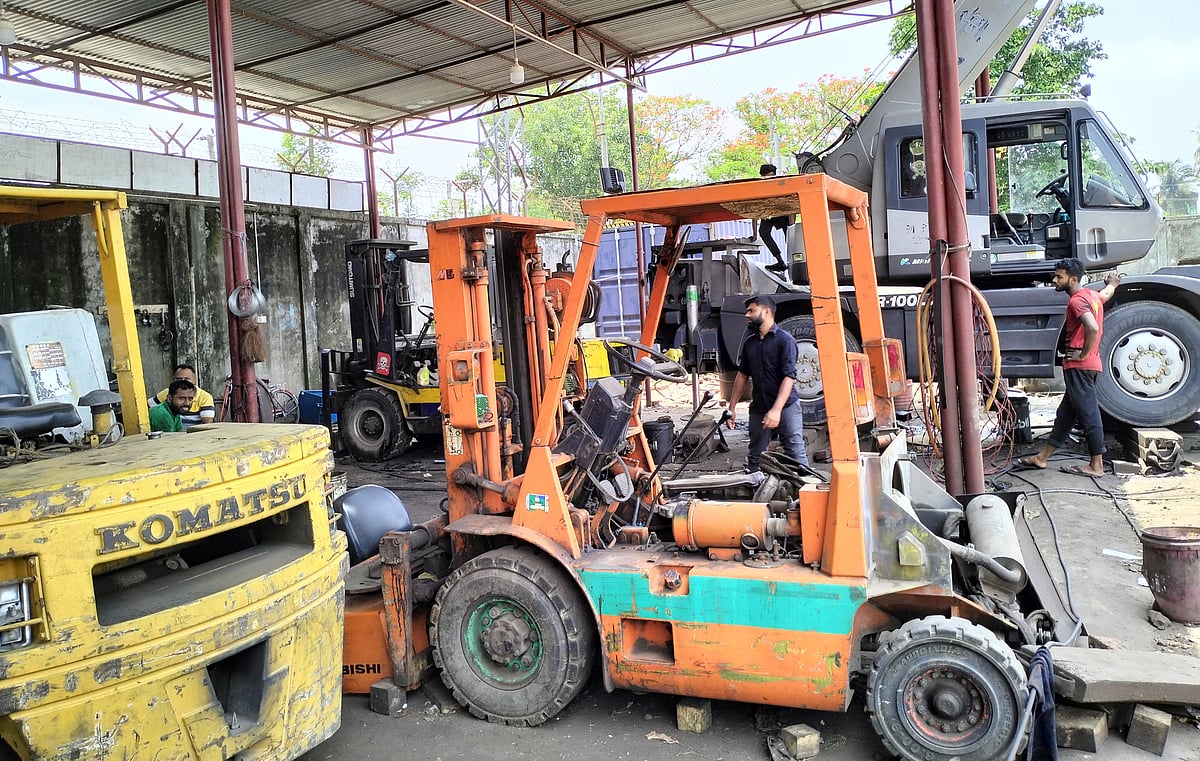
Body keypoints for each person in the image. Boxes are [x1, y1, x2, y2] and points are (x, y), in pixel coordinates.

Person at [1017, 260, 1120, 477]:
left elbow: (1091, 327)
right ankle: (1041, 458)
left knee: (1089, 414)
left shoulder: (1077, 301)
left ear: (1072, 279)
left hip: (1079, 366)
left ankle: (1096, 466)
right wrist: (1113, 283)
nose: (1054, 280)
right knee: (1065, 414)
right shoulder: (1093, 296)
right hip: (1090, 366)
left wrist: (1082, 354)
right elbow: (1106, 294)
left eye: (1059, 277)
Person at [725, 294, 808, 471]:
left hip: (786, 407)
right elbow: (742, 375)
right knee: (755, 457)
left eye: (751, 311)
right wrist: (731, 408)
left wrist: (776, 410)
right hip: (760, 408)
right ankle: (758, 494)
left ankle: (806, 493)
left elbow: (789, 377)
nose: (747, 315)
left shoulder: (785, 341)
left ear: (767, 311)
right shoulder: (750, 343)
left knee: (796, 454)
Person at [150, 363, 215, 427]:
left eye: (187, 379)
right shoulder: (166, 395)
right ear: (169, 398)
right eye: (179, 379)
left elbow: (207, 425)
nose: (183, 382)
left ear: (194, 380)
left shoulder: (205, 397)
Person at [757, 164, 792, 276]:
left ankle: (794, 262)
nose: (770, 180)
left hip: (783, 212)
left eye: (772, 177)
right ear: (762, 177)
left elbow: (791, 205)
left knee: (790, 237)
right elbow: (754, 209)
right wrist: (754, 233)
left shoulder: (781, 184)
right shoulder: (758, 187)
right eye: (767, 178)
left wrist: (791, 225)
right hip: (768, 212)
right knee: (763, 232)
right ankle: (780, 261)